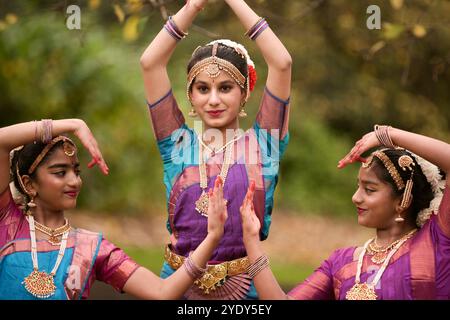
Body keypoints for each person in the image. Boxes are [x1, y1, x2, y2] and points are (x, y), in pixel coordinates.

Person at [139, 0, 292, 299]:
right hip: (176, 286)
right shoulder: (175, 142)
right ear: (191, 95)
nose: (213, 100)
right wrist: (193, 6)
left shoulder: (265, 143)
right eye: (203, 89)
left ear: (244, 91)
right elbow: (150, 63)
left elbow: (282, 62)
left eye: (225, 88)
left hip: (245, 290)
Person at [0, 119, 227, 300]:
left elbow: (162, 292)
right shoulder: (8, 223)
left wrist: (213, 237)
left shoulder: (91, 248)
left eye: (76, 172)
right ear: (30, 184)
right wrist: (73, 124)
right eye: (61, 173)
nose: (75, 182)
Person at [240, 125, 450, 299]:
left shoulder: (435, 241)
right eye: (358, 187)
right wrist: (251, 240)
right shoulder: (342, 262)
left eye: (369, 190)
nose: (356, 197)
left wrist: (385, 134)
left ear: (403, 200)